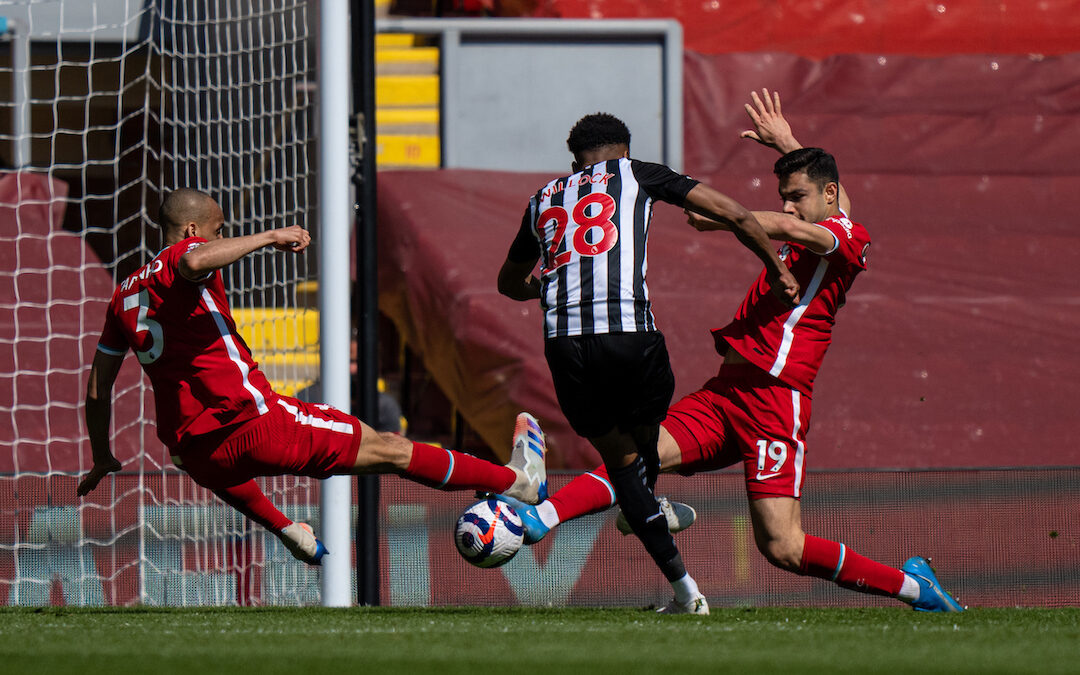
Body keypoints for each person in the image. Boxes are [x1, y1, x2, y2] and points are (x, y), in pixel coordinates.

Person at [498, 91, 964, 612]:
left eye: (798, 195)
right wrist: (787, 143)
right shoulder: (827, 222)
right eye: (784, 195)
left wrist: (731, 217)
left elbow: (792, 224)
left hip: (775, 399)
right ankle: (538, 520)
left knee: (782, 548)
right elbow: (811, 204)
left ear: (830, 195)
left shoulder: (843, 238)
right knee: (631, 457)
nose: (789, 205)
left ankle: (914, 587)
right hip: (727, 393)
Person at [79, 188, 547, 564]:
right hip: (252, 420)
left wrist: (102, 455)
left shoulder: (122, 296)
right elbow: (194, 261)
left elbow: (99, 389)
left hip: (191, 449)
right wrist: (268, 237)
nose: (221, 239)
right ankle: (514, 481)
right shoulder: (187, 252)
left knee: (224, 468)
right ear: (192, 229)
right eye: (219, 231)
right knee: (387, 448)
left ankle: (286, 529)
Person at [497, 113, 800, 615]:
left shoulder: (542, 199)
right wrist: (778, 268)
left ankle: (686, 592)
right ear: (623, 149)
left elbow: (509, 283)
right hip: (629, 337)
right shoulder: (638, 173)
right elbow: (739, 215)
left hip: (565, 346)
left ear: (574, 161)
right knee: (648, 436)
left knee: (622, 468)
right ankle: (646, 498)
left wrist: (539, 287)